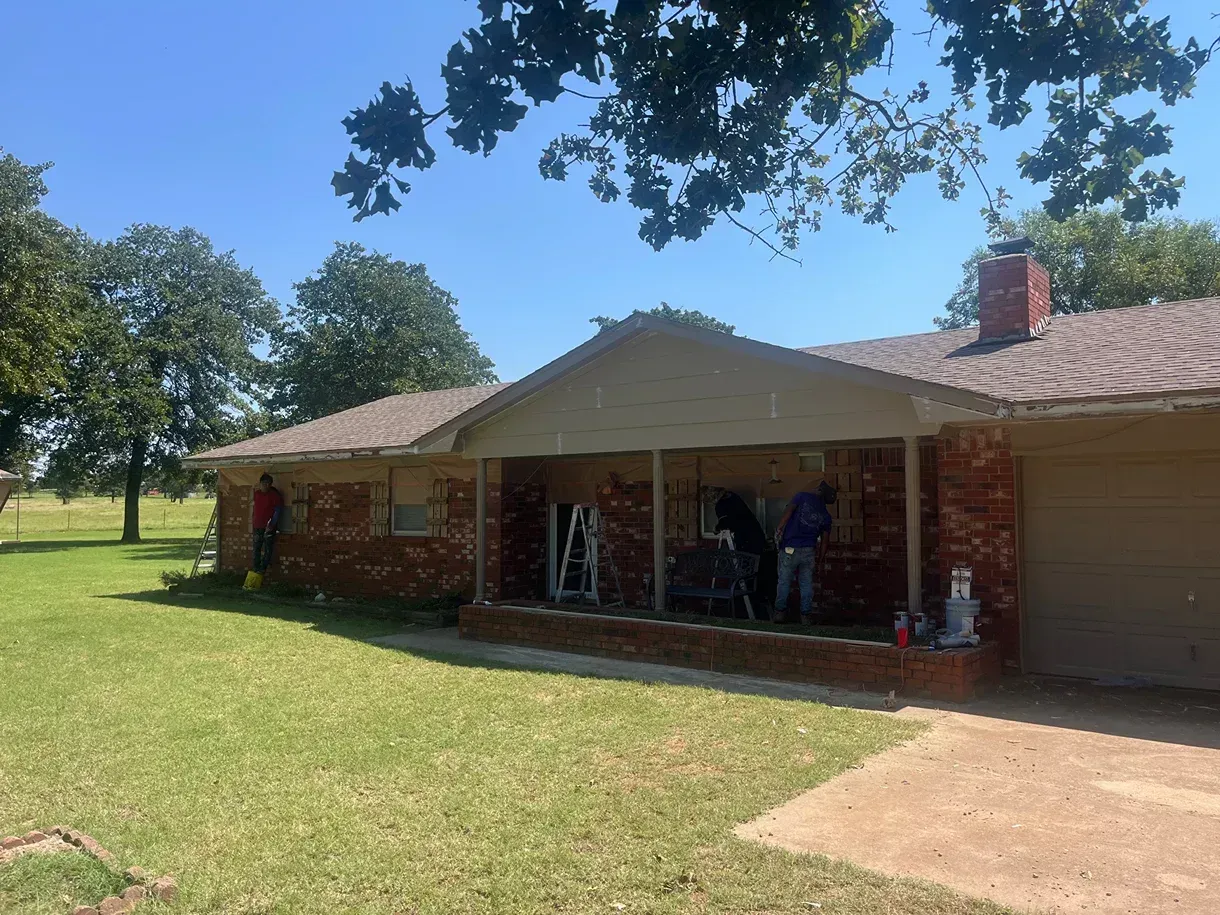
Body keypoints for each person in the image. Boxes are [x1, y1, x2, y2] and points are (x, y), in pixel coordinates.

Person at [773, 480, 836, 624]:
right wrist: (820, 559)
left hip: (790, 548)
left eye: (816, 488)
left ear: (819, 490)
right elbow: (825, 541)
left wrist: (779, 528)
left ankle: (779, 613)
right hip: (809, 550)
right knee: (806, 584)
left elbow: (789, 511)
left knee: (784, 581)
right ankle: (806, 616)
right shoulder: (826, 515)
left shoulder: (801, 496)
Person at [251, 473, 284, 573]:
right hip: (257, 525)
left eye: (268, 484)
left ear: (271, 485)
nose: (266, 486)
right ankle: (256, 568)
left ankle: (263, 568)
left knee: (268, 548)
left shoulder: (274, 495)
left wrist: (272, 524)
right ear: (260, 484)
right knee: (257, 547)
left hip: (268, 527)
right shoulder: (257, 494)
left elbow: (277, 511)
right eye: (264, 483)